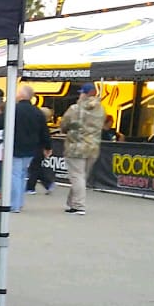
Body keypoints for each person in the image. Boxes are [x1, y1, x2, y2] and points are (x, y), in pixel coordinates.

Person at [59, 83, 106, 215]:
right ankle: (72, 203)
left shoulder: (75, 108)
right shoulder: (101, 109)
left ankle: (79, 205)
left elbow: (64, 124)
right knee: (81, 177)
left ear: (85, 94)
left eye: (81, 93)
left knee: (77, 176)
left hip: (76, 147)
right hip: (93, 147)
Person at [9, 84, 52, 212]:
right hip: (31, 148)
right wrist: (47, 146)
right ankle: (19, 202)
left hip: (16, 145)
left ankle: (14, 204)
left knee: (15, 175)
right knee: (22, 174)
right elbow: (44, 130)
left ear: (21, 95)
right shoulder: (37, 112)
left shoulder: (14, 109)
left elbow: (2, 124)